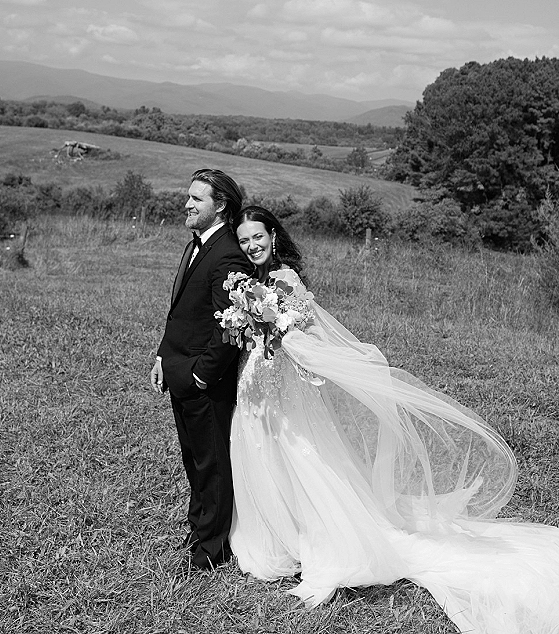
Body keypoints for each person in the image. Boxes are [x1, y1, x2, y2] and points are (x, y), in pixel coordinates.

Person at [228, 205, 559, 634]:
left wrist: (275, 328)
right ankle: (279, 535)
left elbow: (303, 330)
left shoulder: (285, 279)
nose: (252, 245)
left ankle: (327, 540)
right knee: (268, 459)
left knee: (303, 462)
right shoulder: (249, 283)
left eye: (258, 237)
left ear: (273, 236)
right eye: (244, 240)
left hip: (282, 384)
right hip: (258, 383)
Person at [150, 169, 251, 570]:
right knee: (193, 457)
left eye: (197, 199)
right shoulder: (197, 244)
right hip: (179, 368)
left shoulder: (227, 252)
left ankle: (212, 547)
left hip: (203, 381)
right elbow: (182, 314)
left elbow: (230, 325)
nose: (187, 204)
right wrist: (162, 355)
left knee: (211, 462)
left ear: (220, 206)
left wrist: (201, 375)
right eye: (188, 196)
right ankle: (199, 526)